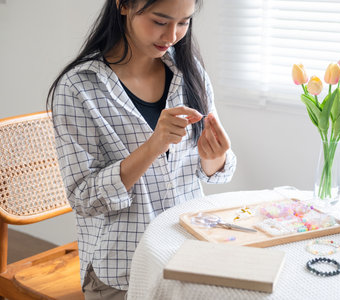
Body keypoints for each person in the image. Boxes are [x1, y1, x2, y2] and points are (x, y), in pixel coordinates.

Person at [47, 0, 236, 299]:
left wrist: (215, 157)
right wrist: (152, 147)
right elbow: (84, 198)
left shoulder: (189, 72)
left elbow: (211, 171)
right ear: (123, 5)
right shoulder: (79, 87)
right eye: (160, 22)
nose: (172, 35)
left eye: (184, 22)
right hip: (123, 271)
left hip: (190, 255)